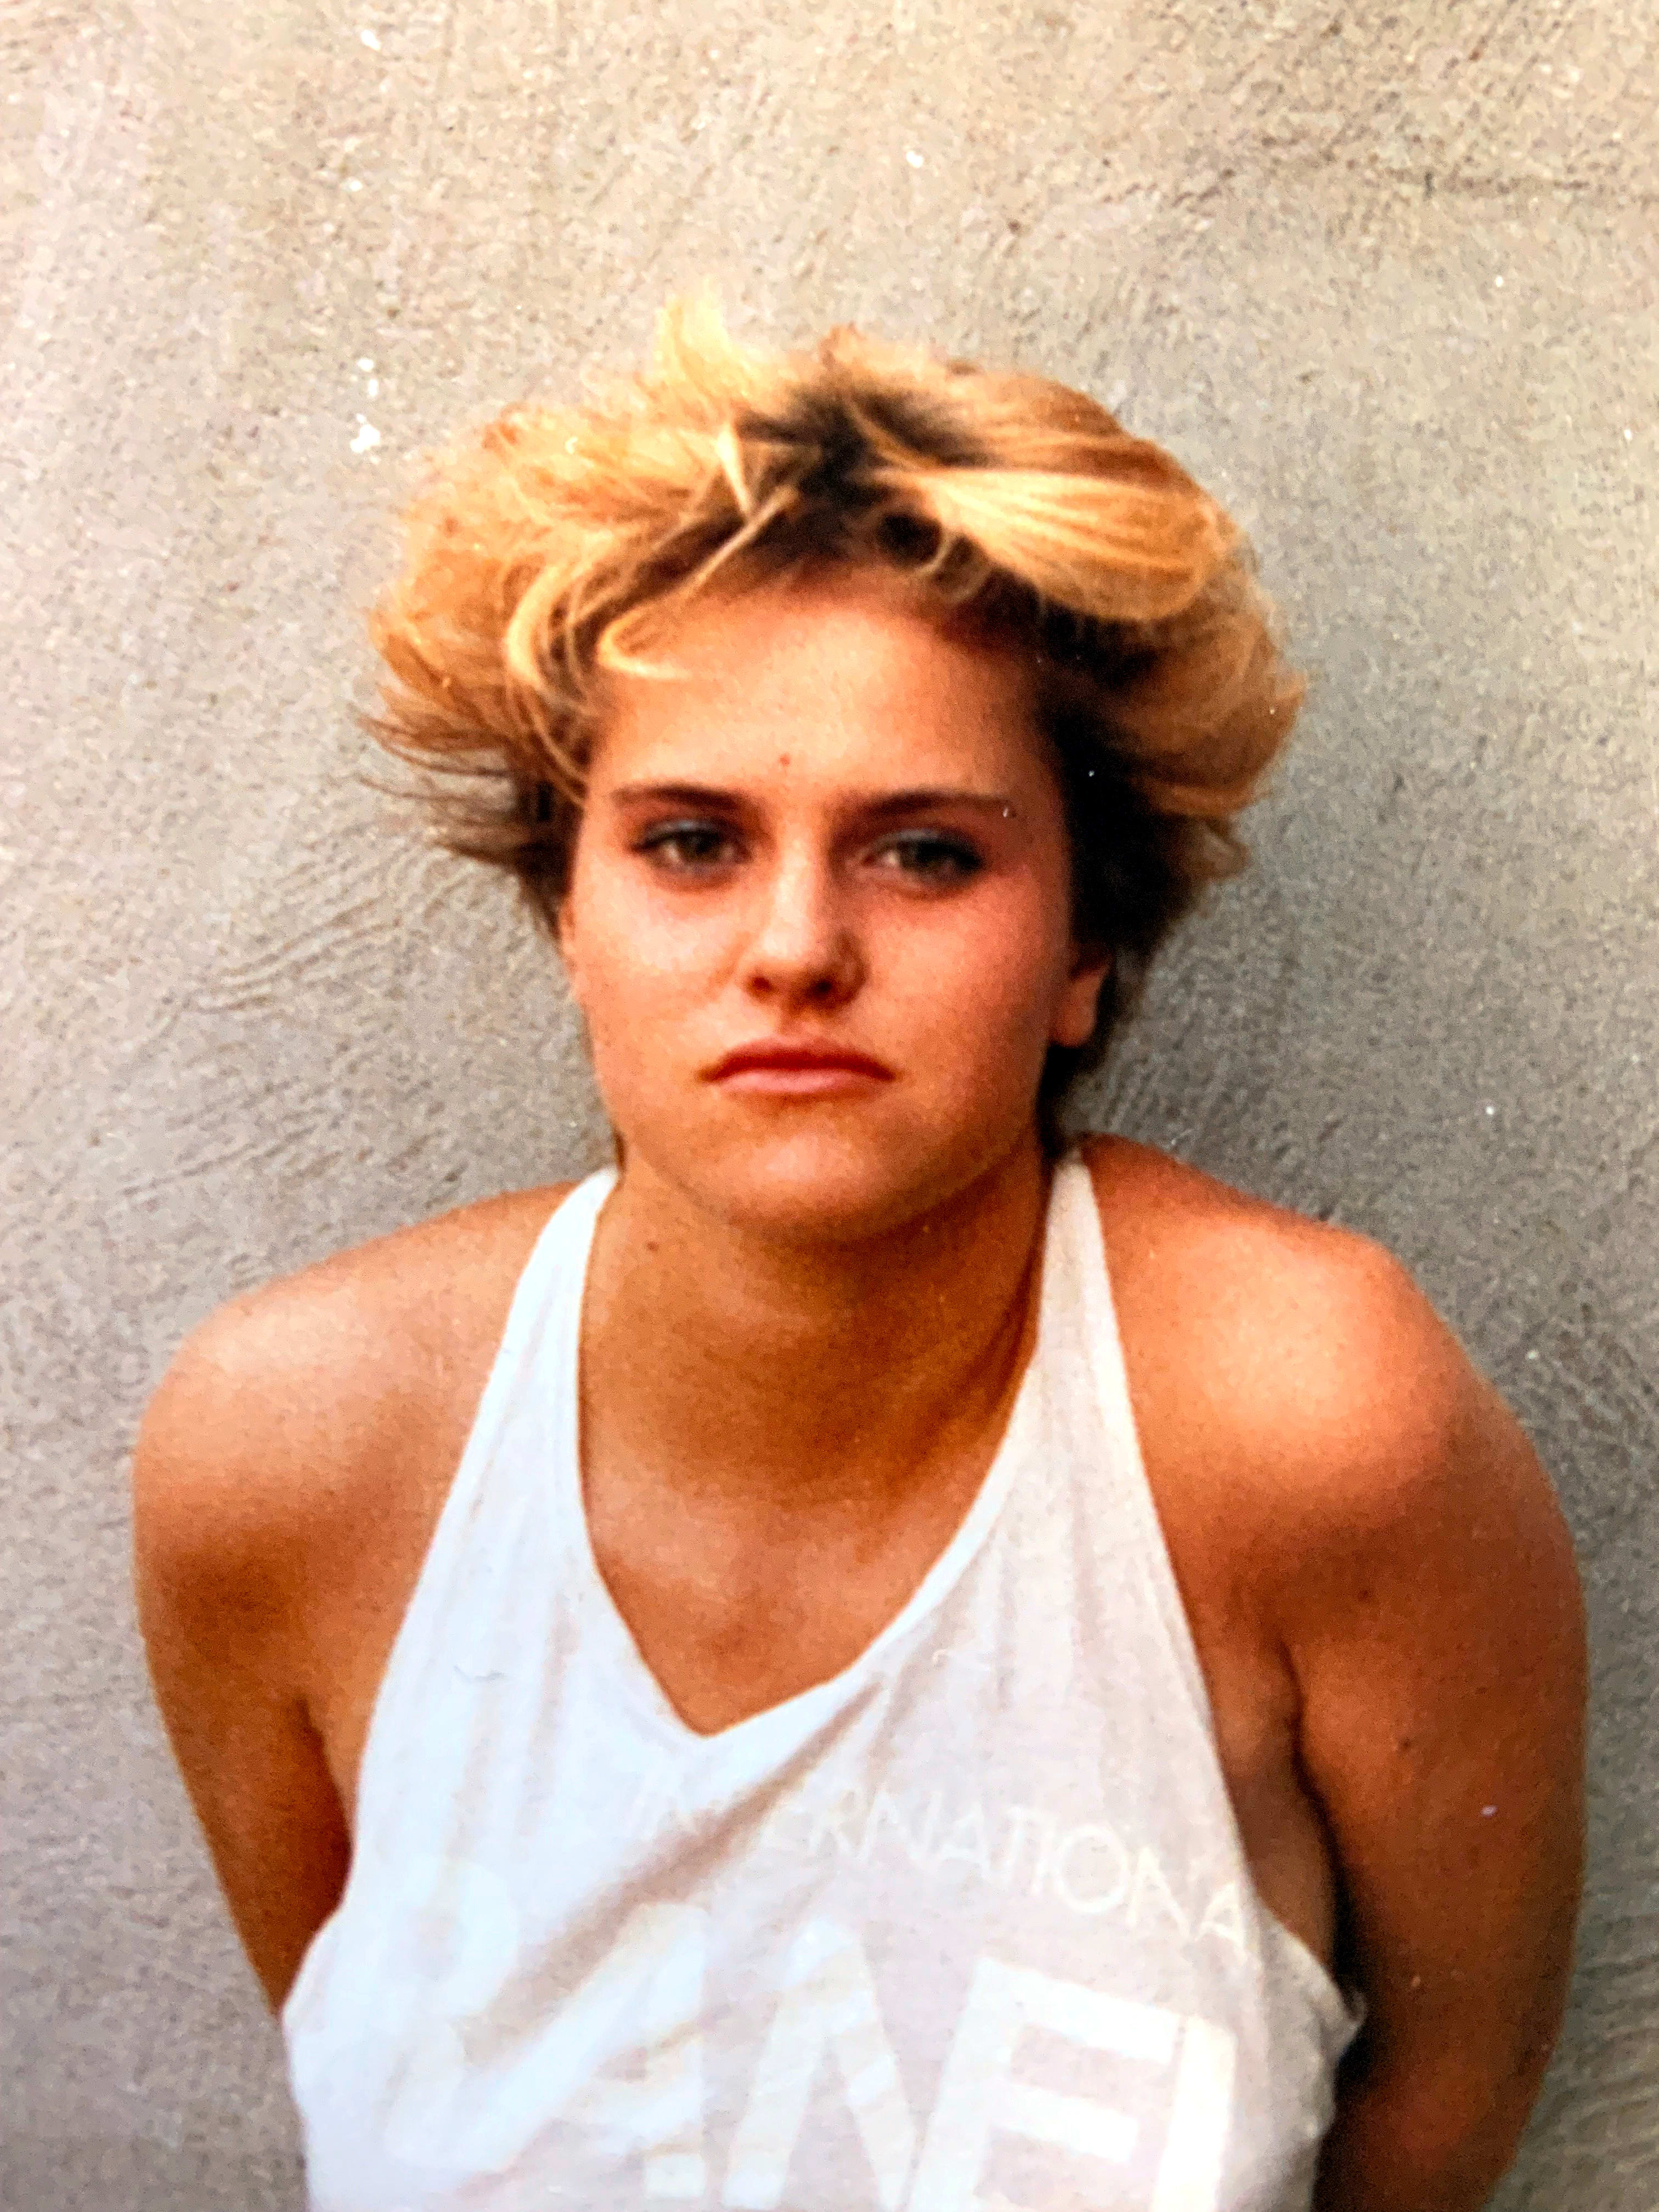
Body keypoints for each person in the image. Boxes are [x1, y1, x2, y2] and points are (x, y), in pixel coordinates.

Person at [133, 294, 1587, 2212]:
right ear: (564, 914)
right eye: (690, 842)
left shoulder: (1309, 1422)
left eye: (924, 852)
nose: (798, 948)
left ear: (1085, 946)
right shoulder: (289, 1452)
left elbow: (1441, 2119)